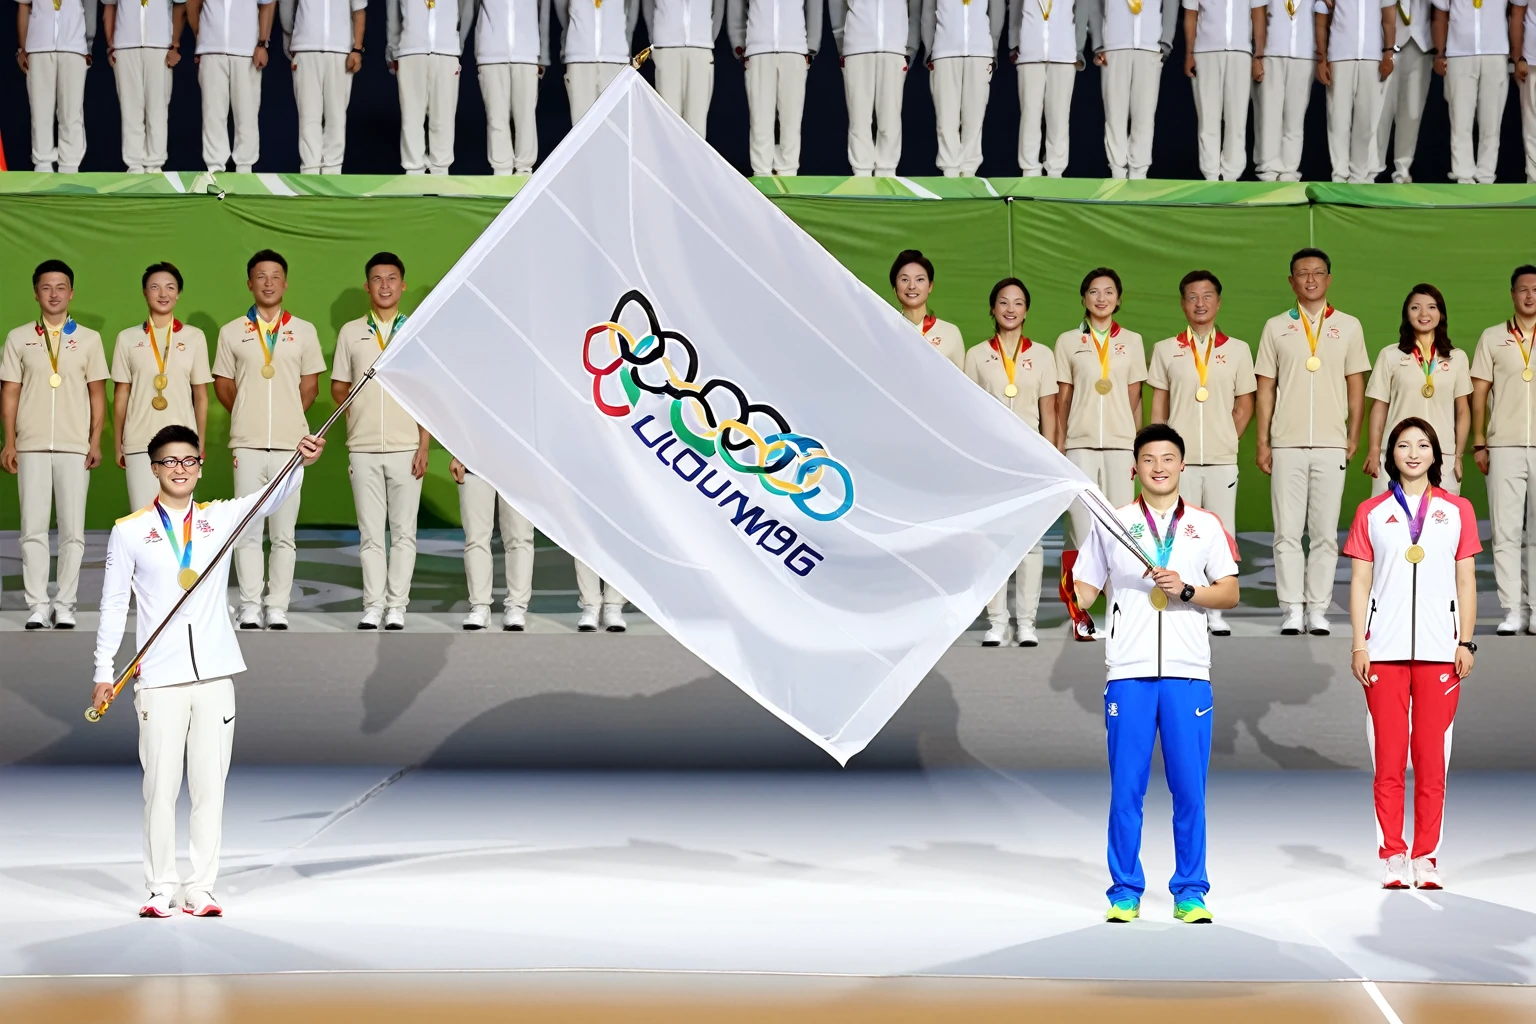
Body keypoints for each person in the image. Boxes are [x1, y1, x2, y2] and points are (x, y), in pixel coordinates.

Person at [93, 425, 327, 919]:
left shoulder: (218, 519)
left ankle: (200, 886)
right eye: (170, 461)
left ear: (200, 466)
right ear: (153, 468)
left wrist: (300, 462)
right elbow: (113, 606)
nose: (180, 469)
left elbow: (269, 496)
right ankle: (161, 885)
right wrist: (103, 671)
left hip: (216, 675)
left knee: (208, 787)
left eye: (189, 461)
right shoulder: (130, 530)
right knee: (159, 787)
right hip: (157, 678)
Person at [1072, 423, 1241, 925]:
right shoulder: (1113, 522)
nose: (1159, 467)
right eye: (1149, 459)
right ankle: (1125, 890)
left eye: (1168, 458)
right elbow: (1084, 588)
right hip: (1128, 671)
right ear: (1135, 468)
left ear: (1182, 466)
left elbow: (1229, 593)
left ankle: (1190, 890)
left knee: (1190, 789)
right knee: (1127, 788)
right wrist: (1074, 601)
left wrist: (1188, 590)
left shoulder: (1205, 526)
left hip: (1189, 673)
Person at [1344, 417, 1478, 891]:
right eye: (1404, 445)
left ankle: (1426, 857)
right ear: (1391, 455)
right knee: (1388, 757)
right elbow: (1361, 581)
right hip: (1383, 651)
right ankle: (1393, 854)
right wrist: (1360, 641)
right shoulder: (1372, 512)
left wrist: (1464, 640)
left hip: (1442, 651)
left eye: (1423, 445)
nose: (1414, 453)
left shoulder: (1457, 509)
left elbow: (1465, 580)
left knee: (1431, 756)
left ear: (1436, 455)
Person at [1255, 248, 1370, 636]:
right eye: (1302, 273)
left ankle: (1318, 609)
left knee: (1323, 532)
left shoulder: (1350, 326)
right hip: (1285, 443)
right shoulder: (1275, 327)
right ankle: (1291, 608)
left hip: (1331, 443)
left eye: (1317, 273)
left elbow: (1356, 384)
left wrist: (1353, 434)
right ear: (1291, 281)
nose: (1310, 279)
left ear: (1328, 279)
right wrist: (1263, 440)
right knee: (1286, 530)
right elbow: (1265, 388)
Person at [211, 250, 326, 630]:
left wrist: (290, 416)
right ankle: (248, 605)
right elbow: (225, 386)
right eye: (261, 276)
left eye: (275, 276)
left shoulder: (305, 331)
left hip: (292, 448)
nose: (268, 282)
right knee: (246, 531)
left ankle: (276, 607)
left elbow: (309, 386)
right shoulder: (231, 332)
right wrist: (247, 413)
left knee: (283, 534)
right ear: (250, 283)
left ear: (285, 282)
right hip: (246, 444)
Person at [1, 259, 109, 630]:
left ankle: (65, 604)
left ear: (71, 293)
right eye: (46, 287)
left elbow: (98, 395)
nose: (53, 294)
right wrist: (10, 441)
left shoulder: (90, 339)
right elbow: (10, 392)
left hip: (74, 446)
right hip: (30, 446)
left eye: (60, 287)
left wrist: (94, 440)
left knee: (72, 531)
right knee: (31, 528)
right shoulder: (18, 338)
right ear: (35, 292)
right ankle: (36, 604)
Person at [1148, 270, 1255, 636]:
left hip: (1223, 460)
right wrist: (1162, 454)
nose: (1200, 303)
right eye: (1192, 296)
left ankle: (1215, 608)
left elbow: (1244, 405)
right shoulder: (1165, 349)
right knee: (1178, 530)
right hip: (1180, 463)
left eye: (1207, 296)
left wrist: (1227, 437)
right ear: (1182, 303)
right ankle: (1180, 599)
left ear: (1218, 302)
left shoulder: (1238, 349)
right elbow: (1159, 407)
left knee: (1222, 532)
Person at [331, 253, 430, 631]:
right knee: (371, 533)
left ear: (402, 285)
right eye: (377, 279)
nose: (385, 285)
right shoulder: (350, 332)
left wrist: (423, 445)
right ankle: (372, 605)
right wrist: (360, 412)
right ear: (367, 286)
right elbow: (339, 387)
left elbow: (426, 395)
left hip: (407, 448)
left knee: (404, 532)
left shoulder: (416, 331)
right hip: (364, 447)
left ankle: (397, 607)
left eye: (392, 279)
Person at [966, 277, 1058, 647]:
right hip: (991, 462)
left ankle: (1027, 623)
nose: (1009, 308)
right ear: (992, 308)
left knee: (1030, 544)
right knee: (993, 542)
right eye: (1003, 302)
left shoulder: (1044, 355)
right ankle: (997, 623)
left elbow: (1049, 412)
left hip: (1030, 462)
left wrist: (1050, 458)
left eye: (1017, 302)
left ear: (1026, 310)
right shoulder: (976, 355)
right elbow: (968, 410)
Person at [1055, 267, 1148, 550]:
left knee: (1121, 529)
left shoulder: (1133, 341)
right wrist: (1062, 444)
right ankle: (1079, 595)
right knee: (1080, 529)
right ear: (1083, 298)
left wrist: (1135, 444)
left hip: (1121, 446)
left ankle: (1117, 594)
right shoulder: (1067, 341)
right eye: (1093, 291)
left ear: (1118, 299)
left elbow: (1135, 397)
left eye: (1109, 292)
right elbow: (1063, 400)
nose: (1101, 298)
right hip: (1079, 446)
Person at [112, 262, 214, 511]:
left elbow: (201, 395)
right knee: (142, 518)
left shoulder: (194, 337)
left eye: (170, 287)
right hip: (138, 442)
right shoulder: (127, 338)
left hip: (182, 443)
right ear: (145, 292)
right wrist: (119, 443)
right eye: (155, 287)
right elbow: (121, 393)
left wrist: (199, 442)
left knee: (178, 518)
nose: (163, 293)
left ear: (178, 293)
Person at [1470, 264, 1536, 635]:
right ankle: (1512, 609)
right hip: (1504, 444)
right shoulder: (1493, 337)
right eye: (1523, 289)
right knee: (1506, 530)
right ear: (1512, 294)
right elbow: (1479, 393)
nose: (1529, 295)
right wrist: (1480, 441)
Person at [1363, 285, 1472, 497]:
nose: (1423, 314)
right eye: (1415, 308)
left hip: (1443, 456)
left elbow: (1462, 410)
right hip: (1396, 454)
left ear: (1441, 314)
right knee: (1391, 523)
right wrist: (1375, 450)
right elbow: (1379, 406)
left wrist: (1458, 455)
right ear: (1406, 314)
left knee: (1440, 524)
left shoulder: (1457, 357)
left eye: (1431, 307)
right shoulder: (1390, 355)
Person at [729, 0, 822, 176]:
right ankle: (762, 173)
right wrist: (740, 47)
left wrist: (810, 48)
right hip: (758, 52)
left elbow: (814, 7)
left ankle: (788, 172)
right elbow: (736, 8)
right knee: (760, 120)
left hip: (794, 51)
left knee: (791, 120)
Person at [831, 0, 919, 177]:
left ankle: (887, 172)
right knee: (859, 119)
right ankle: (861, 173)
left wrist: (910, 48)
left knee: (890, 118)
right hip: (857, 48)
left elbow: (915, 11)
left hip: (894, 49)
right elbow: (837, 8)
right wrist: (844, 44)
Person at [1091, 0, 1178, 179]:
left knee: (1144, 116)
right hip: (1114, 46)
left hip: (1150, 45)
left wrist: (1165, 42)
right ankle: (1117, 171)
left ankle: (1139, 173)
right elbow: (1094, 4)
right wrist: (1099, 44)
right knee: (1115, 115)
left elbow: (1171, 3)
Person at [387, 0, 475, 174]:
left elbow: (467, 10)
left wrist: (457, 44)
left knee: (444, 117)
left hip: (447, 51)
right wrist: (393, 49)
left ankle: (441, 171)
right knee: (411, 117)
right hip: (409, 51)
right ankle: (414, 171)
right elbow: (393, 14)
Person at [279, 0, 366, 175]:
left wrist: (356, 50)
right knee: (309, 116)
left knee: (336, 116)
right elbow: (286, 9)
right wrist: (292, 37)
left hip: (340, 50)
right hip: (305, 48)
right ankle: (309, 171)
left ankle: (332, 171)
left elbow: (359, 10)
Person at [188, 0, 275, 174]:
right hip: (211, 50)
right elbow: (192, 4)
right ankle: (215, 167)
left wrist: (262, 44)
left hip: (246, 50)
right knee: (212, 113)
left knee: (247, 112)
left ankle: (245, 167)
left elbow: (268, 3)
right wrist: (202, 35)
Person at [1316, 0, 1396, 183]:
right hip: (1339, 55)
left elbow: (1389, 18)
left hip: (1372, 56)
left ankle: (1360, 176)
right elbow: (1322, 16)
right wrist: (1321, 59)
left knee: (1366, 122)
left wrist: (1388, 54)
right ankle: (1339, 175)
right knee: (1338, 120)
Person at [451, 456, 536, 630]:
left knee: (519, 537)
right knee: (476, 538)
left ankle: (516, 607)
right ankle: (479, 606)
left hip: (519, 463)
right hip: (474, 459)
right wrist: (457, 454)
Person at [1431, 0, 1510, 185]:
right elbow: (1440, 14)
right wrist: (1440, 53)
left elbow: (1515, 10)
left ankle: (1486, 175)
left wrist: (1515, 54)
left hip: (1496, 52)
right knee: (1460, 119)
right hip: (1459, 53)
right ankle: (1463, 175)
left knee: (1491, 121)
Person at [922, 0, 1005, 177]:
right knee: (946, 118)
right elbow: (928, 13)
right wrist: (931, 50)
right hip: (944, 52)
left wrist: (992, 49)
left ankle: (969, 169)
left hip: (980, 51)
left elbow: (996, 13)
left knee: (974, 117)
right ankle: (949, 168)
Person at [1009, 0, 1088, 177]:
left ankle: (1056, 170)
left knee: (1059, 116)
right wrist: (1014, 44)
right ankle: (1029, 169)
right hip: (1030, 53)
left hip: (1064, 53)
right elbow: (1015, 9)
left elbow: (1082, 12)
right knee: (1030, 114)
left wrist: (1077, 49)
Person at [102, 0, 183, 174]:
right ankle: (134, 164)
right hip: (125, 45)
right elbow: (109, 6)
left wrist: (174, 44)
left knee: (158, 108)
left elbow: (180, 5)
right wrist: (111, 45)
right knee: (130, 108)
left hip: (160, 45)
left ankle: (155, 164)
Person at [16, 0, 94, 172]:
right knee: (40, 111)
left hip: (74, 47)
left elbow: (90, 5)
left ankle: (70, 165)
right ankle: (42, 163)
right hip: (38, 46)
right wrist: (22, 49)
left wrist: (88, 45)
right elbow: (23, 5)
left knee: (71, 112)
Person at [475, 0, 551, 173]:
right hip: (490, 54)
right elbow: (468, 9)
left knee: (525, 117)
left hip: (527, 54)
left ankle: (524, 170)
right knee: (496, 118)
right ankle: (501, 170)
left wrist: (543, 55)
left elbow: (544, 13)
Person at [1182, 0, 1254, 181]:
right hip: (1205, 52)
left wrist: (1258, 54)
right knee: (1208, 118)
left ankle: (1232, 176)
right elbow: (1191, 14)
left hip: (1240, 51)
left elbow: (1258, 12)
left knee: (1236, 119)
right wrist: (1189, 53)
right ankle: (1210, 176)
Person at [1251, 0, 1317, 182]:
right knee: (1268, 116)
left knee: (1295, 118)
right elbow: (1257, 11)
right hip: (1271, 52)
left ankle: (1290, 170)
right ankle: (1268, 170)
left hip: (1304, 54)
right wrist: (1257, 55)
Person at [1372, 0, 1432, 183]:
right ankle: (1372, 168)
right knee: (1380, 110)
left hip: (1420, 41)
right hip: (1382, 42)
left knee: (1412, 111)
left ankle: (1403, 168)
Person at [644, 0, 723, 136]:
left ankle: (693, 158)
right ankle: (667, 158)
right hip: (666, 47)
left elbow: (718, 6)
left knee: (697, 125)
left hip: (700, 48)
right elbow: (649, 4)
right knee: (668, 121)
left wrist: (707, 36)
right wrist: (657, 38)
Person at [558, 0, 638, 121]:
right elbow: (563, 12)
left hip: (616, 61)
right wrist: (571, 43)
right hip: (579, 60)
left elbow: (631, 12)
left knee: (616, 123)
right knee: (582, 125)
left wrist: (623, 47)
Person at [890, 249, 965, 369]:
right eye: (905, 280)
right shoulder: (886, 331)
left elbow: (963, 384)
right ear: (895, 288)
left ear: (930, 286)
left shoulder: (950, 333)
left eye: (920, 279)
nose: (912, 286)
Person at [1515, 0, 1536, 182]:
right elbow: (1517, 13)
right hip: (1532, 59)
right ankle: (1534, 179)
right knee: (1532, 124)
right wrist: (1518, 57)